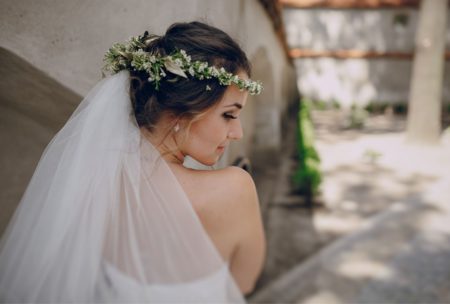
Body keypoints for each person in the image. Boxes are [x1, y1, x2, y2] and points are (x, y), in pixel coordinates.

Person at [0, 21, 266, 303]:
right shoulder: (235, 188)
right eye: (229, 115)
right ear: (181, 111)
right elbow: (245, 281)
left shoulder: (93, 176)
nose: (237, 133)